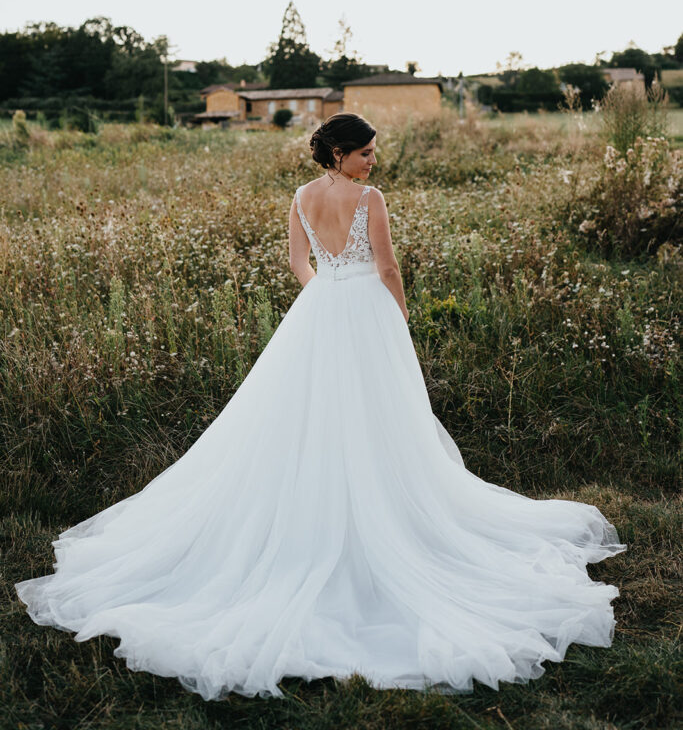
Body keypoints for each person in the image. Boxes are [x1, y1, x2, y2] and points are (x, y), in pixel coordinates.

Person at [15, 112, 625, 702]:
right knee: (378, 416)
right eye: (366, 152)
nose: (373, 161)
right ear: (340, 153)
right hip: (367, 315)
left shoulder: (301, 197)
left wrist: (328, 297)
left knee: (307, 417)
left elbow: (297, 264)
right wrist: (397, 318)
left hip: (319, 312)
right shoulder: (370, 199)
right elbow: (388, 267)